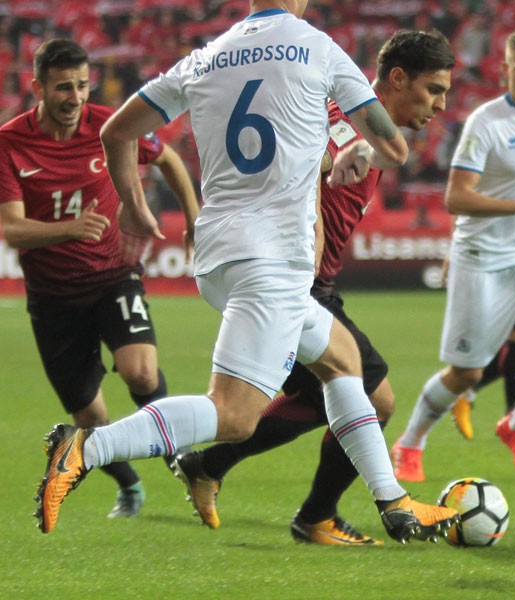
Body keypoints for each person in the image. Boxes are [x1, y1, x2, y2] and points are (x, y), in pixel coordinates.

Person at [34, 1, 459, 544]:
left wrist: (134, 205)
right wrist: (358, 148)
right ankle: (88, 447)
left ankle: (393, 503)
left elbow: (116, 132)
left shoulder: (205, 57)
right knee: (234, 414)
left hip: (219, 255)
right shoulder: (317, 47)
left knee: (342, 360)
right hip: (274, 259)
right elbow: (393, 147)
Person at [169, 30, 455, 546]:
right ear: (396, 79)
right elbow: (293, 172)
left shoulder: (356, 127)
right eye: (433, 89)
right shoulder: (338, 123)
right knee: (372, 396)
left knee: (319, 394)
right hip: (293, 279)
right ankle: (314, 514)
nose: (439, 104)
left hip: (306, 281)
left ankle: (209, 465)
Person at [0, 39, 199, 520]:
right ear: (37, 87)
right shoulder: (7, 144)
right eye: (64, 87)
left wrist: (192, 218)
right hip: (54, 299)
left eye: (82, 85)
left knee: (142, 371)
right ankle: (130, 486)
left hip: (112, 278)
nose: (76, 97)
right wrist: (71, 228)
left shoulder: (111, 125)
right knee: (90, 419)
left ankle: (183, 459)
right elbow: (12, 229)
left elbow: (168, 160)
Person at [391, 27, 515, 482]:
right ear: (505, 69)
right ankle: (409, 443)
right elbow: (456, 198)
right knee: (465, 373)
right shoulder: (486, 123)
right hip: (481, 256)